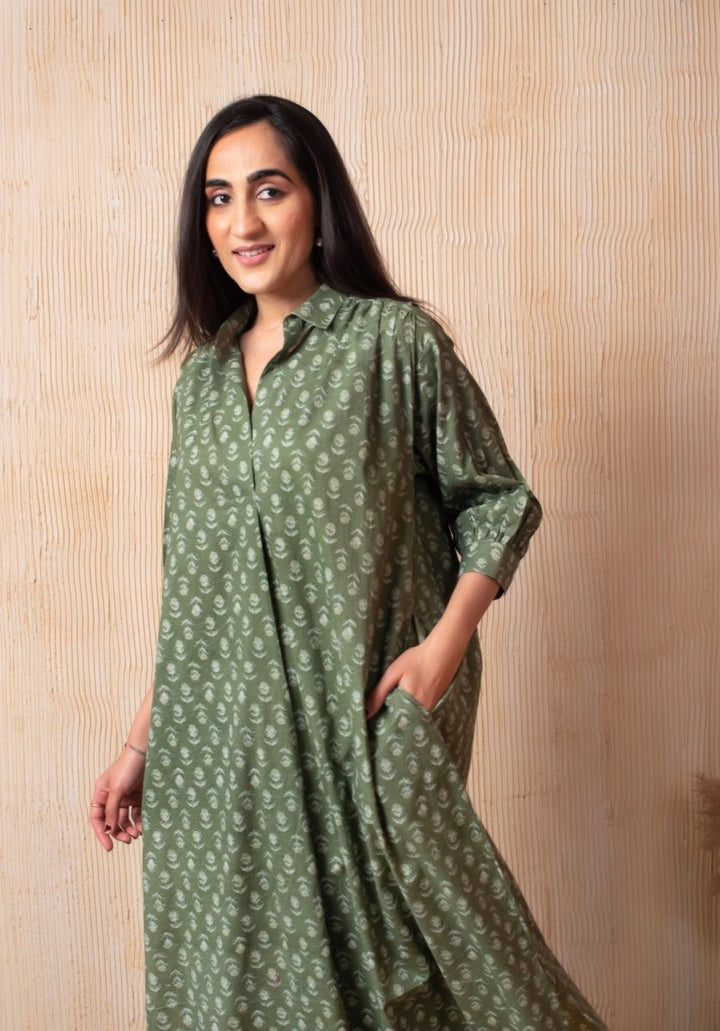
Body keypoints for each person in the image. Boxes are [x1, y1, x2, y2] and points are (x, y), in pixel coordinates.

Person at [91, 95, 607, 1031]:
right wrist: (142, 740)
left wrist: (442, 650)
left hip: (357, 721)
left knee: (430, 969)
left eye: (269, 190)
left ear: (318, 203)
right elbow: (203, 589)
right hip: (222, 741)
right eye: (218, 198)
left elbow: (496, 498)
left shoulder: (391, 343)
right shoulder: (202, 381)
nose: (242, 222)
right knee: (239, 982)